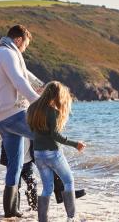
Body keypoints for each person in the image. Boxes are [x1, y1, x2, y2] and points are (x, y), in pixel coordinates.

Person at [0, 24, 41, 218]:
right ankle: (61, 187)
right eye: (25, 46)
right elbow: (19, 81)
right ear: (18, 40)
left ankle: (11, 211)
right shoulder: (9, 54)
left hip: (0, 117)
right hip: (13, 114)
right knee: (47, 135)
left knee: (15, 165)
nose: (24, 49)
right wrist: (38, 102)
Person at [27, 81, 86, 222]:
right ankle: (71, 218)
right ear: (58, 95)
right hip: (52, 152)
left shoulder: (32, 108)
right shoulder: (52, 112)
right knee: (69, 181)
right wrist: (75, 144)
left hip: (38, 153)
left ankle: (42, 220)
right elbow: (55, 136)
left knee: (47, 188)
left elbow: (31, 130)